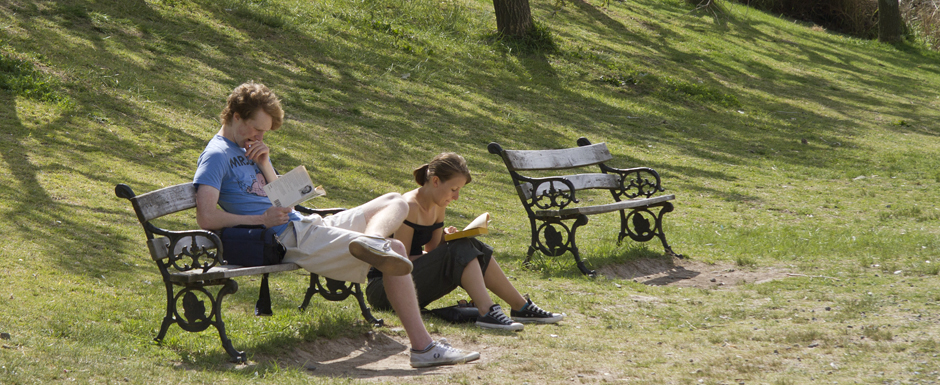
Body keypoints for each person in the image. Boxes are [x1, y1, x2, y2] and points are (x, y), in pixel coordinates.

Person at [192, 81, 479, 368]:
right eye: (257, 129)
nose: (261, 136)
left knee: (395, 200)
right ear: (236, 117)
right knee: (396, 249)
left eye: (265, 131)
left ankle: (372, 240)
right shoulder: (217, 155)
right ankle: (423, 347)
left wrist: (266, 163)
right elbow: (207, 217)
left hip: (305, 223)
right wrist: (261, 219)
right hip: (288, 238)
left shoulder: (251, 149)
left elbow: (286, 202)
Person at [366, 152, 564, 331]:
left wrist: (447, 239)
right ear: (435, 181)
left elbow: (432, 249)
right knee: (460, 248)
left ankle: (520, 306)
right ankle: (487, 311)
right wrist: (448, 252)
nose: (456, 196)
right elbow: (401, 261)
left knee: (471, 245)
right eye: (453, 189)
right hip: (386, 289)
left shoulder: (437, 205)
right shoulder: (409, 206)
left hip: (410, 282)